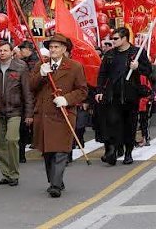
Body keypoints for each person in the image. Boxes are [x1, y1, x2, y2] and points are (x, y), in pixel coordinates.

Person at [31, 33, 88, 198]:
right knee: (48, 152)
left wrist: (67, 99)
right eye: (51, 47)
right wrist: (41, 75)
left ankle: (55, 185)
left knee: (60, 150)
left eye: (56, 47)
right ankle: (55, 180)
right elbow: (31, 87)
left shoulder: (75, 66)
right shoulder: (40, 65)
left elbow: (82, 91)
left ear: (64, 49)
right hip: (44, 115)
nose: (53, 50)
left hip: (63, 114)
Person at [95, 27, 151, 166]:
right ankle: (113, 150)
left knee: (129, 125)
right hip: (113, 95)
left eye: (115, 39)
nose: (112, 41)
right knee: (112, 122)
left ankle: (128, 152)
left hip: (131, 95)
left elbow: (149, 71)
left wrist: (138, 67)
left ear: (125, 38)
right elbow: (102, 74)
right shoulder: (109, 55)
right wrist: (100, 90)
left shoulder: (137, 53)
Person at [0, 41, 33, 186]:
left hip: (15, 110)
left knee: (12, 140)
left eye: (5, 50)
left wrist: (29, 114)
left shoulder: (20, 67)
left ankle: (14, 174)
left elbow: (27, 92)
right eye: (0, 51)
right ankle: (6, 174)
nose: (2, 53)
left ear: (11, 52)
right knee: (0, 143)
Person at [17, 40, 40, 162]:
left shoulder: (33, 62)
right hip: (26, 97)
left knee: (26, 126)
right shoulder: (26, 61)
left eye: (22, 49)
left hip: (31, 97)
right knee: (24, 126)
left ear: (28, 49)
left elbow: (30, 81)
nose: (20, 52)